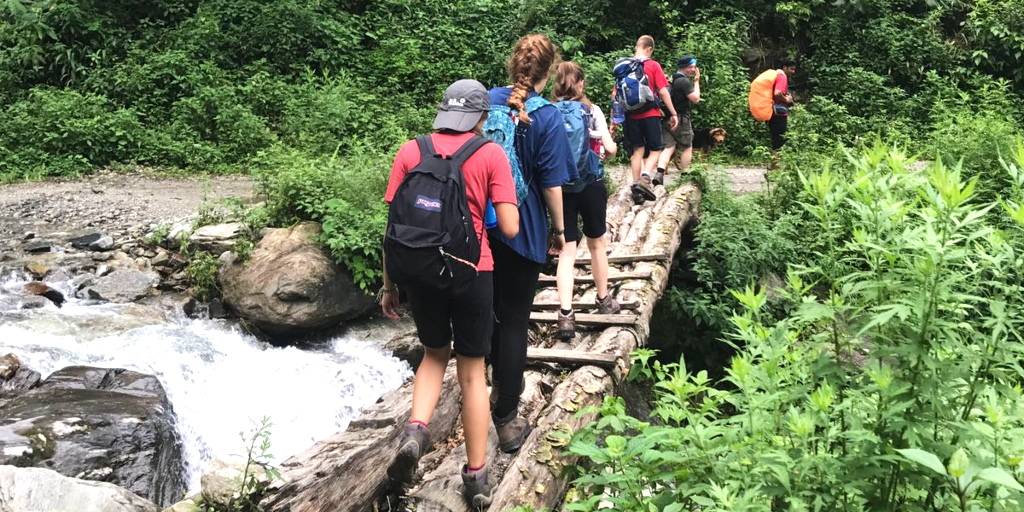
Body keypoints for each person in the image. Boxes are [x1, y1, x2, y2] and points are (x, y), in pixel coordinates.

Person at [381, 79, 520, 509]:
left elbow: (392, 229)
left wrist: (390, 287)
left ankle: (417, 431)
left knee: (433, 354)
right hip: (471, 273)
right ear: (481, 117)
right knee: (473, 372)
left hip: (421, 274)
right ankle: (476, 479)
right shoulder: (490, 153)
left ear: (444, 112)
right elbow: (511, 228)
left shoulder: (412, 150)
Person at [487, 34, 574, 454]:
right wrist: (560, 232)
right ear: (549, 71)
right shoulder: (548, 117)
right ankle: (505, 416)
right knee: (516, 317)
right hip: (523, 230)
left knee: (490, 311)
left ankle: (491, 380)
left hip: (480, 227)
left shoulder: (487, 100)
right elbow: (553, 185)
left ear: (513, 65)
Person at [552, 61, 621, 339]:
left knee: (567, 250)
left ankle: (566, 315)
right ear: (580, 83)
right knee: (596, 244)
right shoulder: (593, 111)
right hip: (591, 184)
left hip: (559, 189)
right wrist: (607, 149)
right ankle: (604, 300)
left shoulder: (548, 112)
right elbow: (610, 149)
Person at [616, 35, 678, 205]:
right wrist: (673, 113)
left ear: (637, 47)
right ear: (649, 49)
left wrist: (614, 121)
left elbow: (616, 96)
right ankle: (645, 179)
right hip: (650, 114)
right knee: (656, 149)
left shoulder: (624, 67)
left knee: (638, 150)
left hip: (631, 116)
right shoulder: (653, 65)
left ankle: (636, 189)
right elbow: (664, 92)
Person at [654, 56, 701, 186]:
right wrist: (697, 81)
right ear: (683, 67)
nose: (693, 69)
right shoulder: (683, 82)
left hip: (666, 118)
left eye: (694, 67)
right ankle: (686, 177)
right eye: (690, 67)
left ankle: (660, 173)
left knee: (669, 147)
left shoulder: (669, 79)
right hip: (680, 119)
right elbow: (695, 99)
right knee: (687, 146)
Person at [769, 58, 797, 169]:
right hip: (778, 113)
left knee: (777, 139)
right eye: (791, 69)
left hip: (774, 112)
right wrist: (787, 100)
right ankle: (774, 169)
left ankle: (774, 167)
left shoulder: (777, 75)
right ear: (784, 67)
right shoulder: (782, 77)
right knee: (779, 141)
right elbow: (777, 93)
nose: (793, 72)